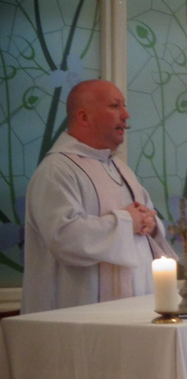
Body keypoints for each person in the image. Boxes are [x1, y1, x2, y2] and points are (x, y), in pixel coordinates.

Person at [21, 79, 176, 314]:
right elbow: (63, 238)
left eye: (124, 105)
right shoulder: (56, 171)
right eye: (115, 106)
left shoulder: (121, 169)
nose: (126, 114)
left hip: (135, 309)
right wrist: (127, 222)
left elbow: (145, 227)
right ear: (84, 117)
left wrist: (151, 225)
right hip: (76, 312)